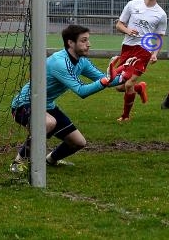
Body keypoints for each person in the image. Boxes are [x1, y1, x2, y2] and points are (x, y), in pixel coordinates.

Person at [9, 25, 136, 173]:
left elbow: (105, 79)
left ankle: (50, 160)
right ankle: (18, 162)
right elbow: (81, 91)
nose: (89, 44)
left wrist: (126, 74)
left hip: (47, 105)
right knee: (48, 123)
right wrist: (105, 81)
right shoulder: (59, 62)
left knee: (78, 142)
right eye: (84, 40)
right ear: (70, 43)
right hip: (24, 104)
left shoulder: (82, 61)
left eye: (88, 40)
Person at [115, 0, 167, 122]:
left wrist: (155, 54)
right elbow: (119, 25)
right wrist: (127, 30)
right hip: (127, 48)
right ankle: (139, 88)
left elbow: (159, 37)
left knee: (128, 83)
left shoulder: (161, 14)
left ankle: (125, 116)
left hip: (143, 50)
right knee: (119, 86)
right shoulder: (132, 5)